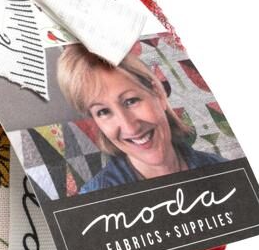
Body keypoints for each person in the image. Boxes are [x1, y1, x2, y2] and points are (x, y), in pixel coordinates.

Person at [56, 43, 226, 194]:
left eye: (131, 101)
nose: (130, 127)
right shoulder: (96, 199)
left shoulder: (221, 170)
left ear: (158, 94)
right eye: (104, 112)